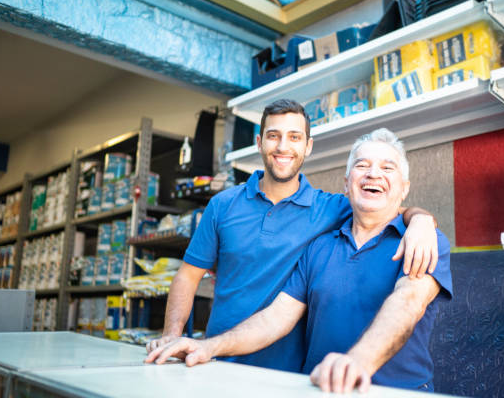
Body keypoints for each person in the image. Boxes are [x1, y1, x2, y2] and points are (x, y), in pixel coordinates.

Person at [146, 128, 452, 393]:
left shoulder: (426, 241)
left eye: (388, 168)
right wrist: (207, 346)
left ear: (404, 189)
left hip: (396, 393)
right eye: (363, 165)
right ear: (346, 185)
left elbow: (408, 304)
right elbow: (275, 318)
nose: (373, 174)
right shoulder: (319, 247)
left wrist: (356, 363)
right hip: (318, 389)